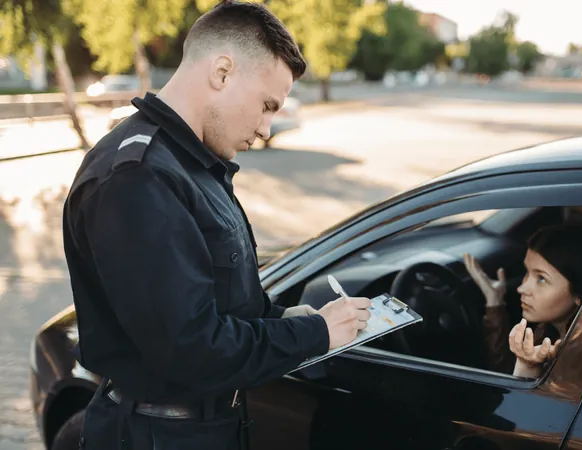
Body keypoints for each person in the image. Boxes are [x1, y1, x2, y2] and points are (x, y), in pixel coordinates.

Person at [61, 2, 371, 449]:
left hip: (200, 428)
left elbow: (216, 302)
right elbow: (190, 349)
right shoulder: (139, 176)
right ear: (222, 72)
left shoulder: (192, 164)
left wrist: (284, 318)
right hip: (156, 435)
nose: (266, 129)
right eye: (267, 106)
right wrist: (314, 335)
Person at [463, 224, 582, 379]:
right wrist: (494, 301)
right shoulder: (548, 329)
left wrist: (528, 368)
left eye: (541, 279)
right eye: (527, 272)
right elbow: (506, 373)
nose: (522, 288)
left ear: (579, 294)